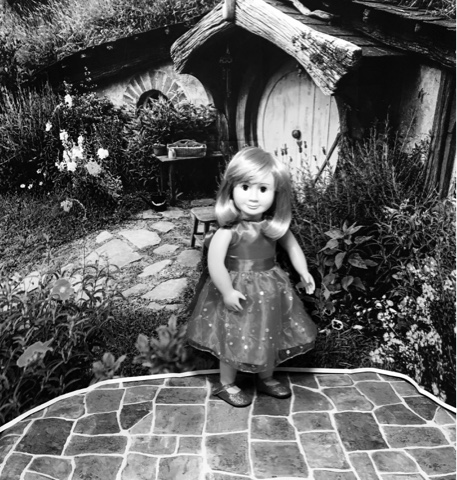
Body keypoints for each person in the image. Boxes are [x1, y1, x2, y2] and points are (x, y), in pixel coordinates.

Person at [187, 147, 317, 407]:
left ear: (276, 194)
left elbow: (293, 248)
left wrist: (303, 271)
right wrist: (227, 291)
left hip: (270, 289)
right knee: (232, 334)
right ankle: (226, 383)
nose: (254, 197)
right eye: (245, 187)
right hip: (238, 289)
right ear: (231, 189)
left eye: (263, 189)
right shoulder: (228, 231)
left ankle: (266, 376)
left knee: (270, 331)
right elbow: (215, 263)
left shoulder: (272, 227)